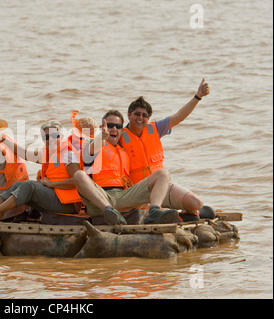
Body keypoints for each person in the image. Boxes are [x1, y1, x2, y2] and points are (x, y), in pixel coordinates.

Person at [120, 79, 212, 221]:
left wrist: (198, 96)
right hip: (137, 192)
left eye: (144, 115)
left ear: (148, 118)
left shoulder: (155, 128)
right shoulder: (119, 136)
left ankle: (179, 215)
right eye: (137, 114)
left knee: (196, 202)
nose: (140, 118)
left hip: (161, 187)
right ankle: (160, 211)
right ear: (129, 115)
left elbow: (179, 116)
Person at [72, 110, 180, 224]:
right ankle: (109, 211)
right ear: (101, 128)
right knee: (79, 175)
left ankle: (155, 212)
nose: (114, 129)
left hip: (123, 196)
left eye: (117, 126)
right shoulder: (93, 145)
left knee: (163, 174)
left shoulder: (123, 151)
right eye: (109, 126)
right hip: (101, 197)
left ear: (122, 131)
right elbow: (94, 147)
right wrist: (101, 137)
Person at [0, 120, 83, 221]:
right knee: (17, 185)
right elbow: (25, 154)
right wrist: (4, 140)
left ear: (61, 136)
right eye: (46, 137)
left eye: (54, 136)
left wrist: (52, 184)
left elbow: (77, 181)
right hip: (56, 197)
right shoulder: (48, 153)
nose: (50, 140)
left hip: (68, 204)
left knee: (29, 185)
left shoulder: (67, 154)